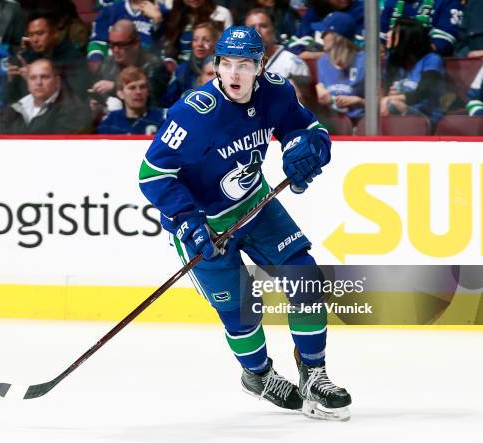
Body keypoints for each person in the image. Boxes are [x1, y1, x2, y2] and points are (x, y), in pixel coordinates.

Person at [138, 25, 352, 421]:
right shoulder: (195, 112)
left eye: (245, 65)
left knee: (306, 278)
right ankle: (258, 375)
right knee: (241, 311)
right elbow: (152, 174)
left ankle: (314, 372)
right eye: (227, 64)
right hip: (205, 222)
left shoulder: (276, 92)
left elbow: (308, 130)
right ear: (216, 66)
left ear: (260, 66)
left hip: (255, 205)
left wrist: (306, 150)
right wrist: (187, 219)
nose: (234, 74)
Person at [5, 11, 91, 104]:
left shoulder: (73, 58)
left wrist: (31, 79)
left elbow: (77, 96)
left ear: (55, 33)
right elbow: (10, 102)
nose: (35, 40)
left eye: (40, 33)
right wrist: (11, 81)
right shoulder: (25, 58)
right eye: (31, 35)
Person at [90, 19, 170, 111]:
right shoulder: (107, 64)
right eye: (111, 44)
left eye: (121, 45)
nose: (115, 50)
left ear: (135, 43)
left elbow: (151, 103)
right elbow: (97, 96)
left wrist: (115, 88)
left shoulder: (154, 66)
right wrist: (96, 103)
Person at [380, 16, 445, 126]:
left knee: (392, 104)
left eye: (394, 32)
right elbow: (384, 91)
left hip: (425, 117)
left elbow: (422, 94)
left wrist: (390, 98)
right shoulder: (394, 60)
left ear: (408, 37)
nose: (388, 34)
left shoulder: (432, 60)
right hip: (396, 115)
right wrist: (387, 97)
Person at [1, 58, 93, 134]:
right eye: (33, 78)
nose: (38, 82)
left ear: (57, 81)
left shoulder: (73, 109)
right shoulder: (16, 108)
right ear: (27, 83)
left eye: (44, 77)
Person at [245, 9, 310, 102]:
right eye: (251, 28)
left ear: (273, 30)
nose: (257, 31)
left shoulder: (292, 63)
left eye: (263, 26)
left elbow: (307, 105)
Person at [313, 12, 365, 123]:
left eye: (325, 32)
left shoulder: (364, 61)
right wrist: (318, 93)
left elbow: (380, 103)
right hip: (332, 123)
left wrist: (359, 101)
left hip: (362, 122)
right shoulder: (322, 62)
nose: (321, 37)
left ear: (337, 37)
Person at [87, 0, 169, 69]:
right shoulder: (110, 10)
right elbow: (97, 44)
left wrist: (157, 20)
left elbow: (165, 50)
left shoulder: (163, 12)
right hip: (114, 71)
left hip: (148, 72)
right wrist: (98, 69)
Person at [162, 21, 220, 107]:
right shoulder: (182, 70)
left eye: (206, 40)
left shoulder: (224, 69)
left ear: (216, 43)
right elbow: (167, 103)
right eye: (195, 39)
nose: (199, 44)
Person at [381, 0, 465, 57]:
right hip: (392, 65)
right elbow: (379, 40)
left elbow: (442, 43)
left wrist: (403, 46)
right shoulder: (392, 2)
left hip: (428, 66)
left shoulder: (447, 2)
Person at [162, 0, 233, 66]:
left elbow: (228, 51)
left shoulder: (221, 13)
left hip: (209, 69)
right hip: (181, 70)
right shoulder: (177, 13)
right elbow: (169, 47)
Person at [97, 66, 166, 134]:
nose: (138, 92)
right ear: (120, 94)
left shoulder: (162, 118)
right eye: (132, 88)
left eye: (142, 87)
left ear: (148, 91)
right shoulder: (110, 122)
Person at [288, 0, 364, 58]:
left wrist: (320, 55)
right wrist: (303, 52)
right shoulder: (316, 8)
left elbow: (360, 49)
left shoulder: (362, 10)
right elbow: (295, 43)